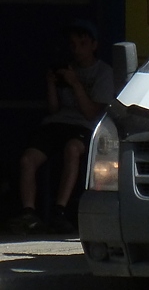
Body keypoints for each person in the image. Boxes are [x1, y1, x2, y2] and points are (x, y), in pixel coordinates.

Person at [9, 20, 114, 234]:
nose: (76, 49)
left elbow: (92, 113)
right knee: (28, 159)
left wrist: (75, 84)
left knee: (72, 149)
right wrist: (51, 84)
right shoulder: (65, 68)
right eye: (73, 44)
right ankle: (29, 212)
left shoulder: (104, 73)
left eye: (82, 43)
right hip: (57, 124)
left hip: (84, 126)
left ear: (94, 45)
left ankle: (60, 210)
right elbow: (54, 109)